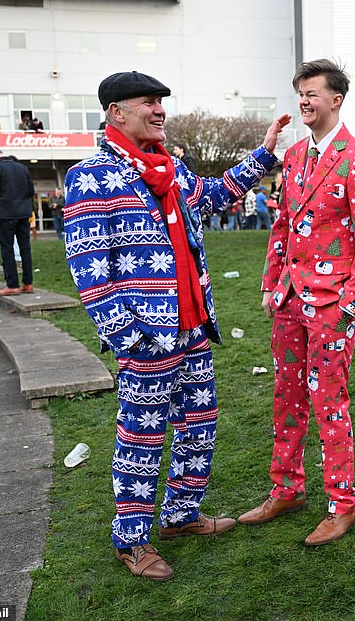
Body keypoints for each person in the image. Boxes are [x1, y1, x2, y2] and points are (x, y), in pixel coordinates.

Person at [63, 70, 288, 582]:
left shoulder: (171, 171)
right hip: (146, 337)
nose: (160, 110)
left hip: (191, 329)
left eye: (162, 102)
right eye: (149, 102)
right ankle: (131, 540)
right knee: (142, 436)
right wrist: (127, 335)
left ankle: (180, 517)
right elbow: (89, 265)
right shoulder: (91, 176)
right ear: (116, 112)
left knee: (198, 426)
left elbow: (213, 194)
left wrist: (265, 153)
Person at [241, 58, 355, 548]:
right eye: (299, 94)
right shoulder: (295, 156)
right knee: (287, 396)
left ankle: (343, 503)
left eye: (312, 93)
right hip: (289, 298)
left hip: (333, 304)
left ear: (336, 99)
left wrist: (350, 302)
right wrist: (270, 283)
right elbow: (282, 223)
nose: (304, 101)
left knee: (329, 401)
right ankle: (287, 489)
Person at [0, 147, 35, 295]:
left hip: (5, 214)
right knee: (25, 249)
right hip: (23, 214)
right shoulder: (22, 167)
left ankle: (12, 285)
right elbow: (30, 191)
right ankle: (28, 283)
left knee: (7, 249)